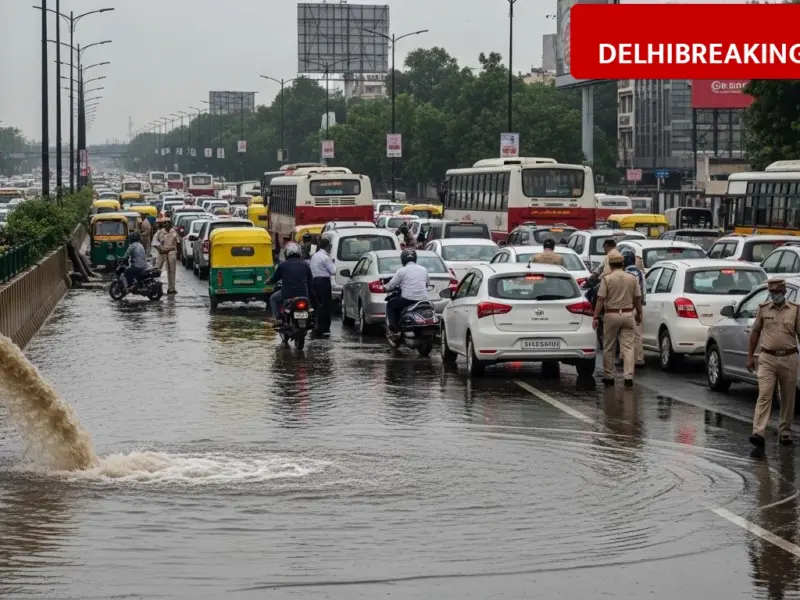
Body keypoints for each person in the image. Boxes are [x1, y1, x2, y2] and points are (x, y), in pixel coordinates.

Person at [746, 277, 800, 447]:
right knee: (764, 394)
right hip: (767, 358)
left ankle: (785, 431)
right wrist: (750, 356)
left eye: (777, 292)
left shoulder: (795, 310)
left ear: (784, 292)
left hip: (789, 358)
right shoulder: (763, 309)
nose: (774, 295)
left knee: (788, 397)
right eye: (771, 292)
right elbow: (755, 333)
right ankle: (758, 432)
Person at [593, 250, 643, 387]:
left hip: (611, 315)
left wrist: (595, 316)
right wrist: (639, 313)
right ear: (622, 263)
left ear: (610, 264)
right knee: (628, 346)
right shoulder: (632, 278)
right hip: (628, 314)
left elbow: (601, 299)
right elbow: (638, 298)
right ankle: (628, 376)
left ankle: (609, 376)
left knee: (609, 346)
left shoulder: (607, 279)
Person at [384, 248, 430, 334]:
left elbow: (391, 285)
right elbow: (427, 284)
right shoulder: (424, 269)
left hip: (407, 300)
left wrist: (384, 288)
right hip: (423, 299)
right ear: (415, 258)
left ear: (403, 259)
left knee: (390, 304)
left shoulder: (402, 271)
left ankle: (394, 329)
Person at [269, 241, 314, 323]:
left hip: (287, 293)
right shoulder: (305, 264)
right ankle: (311, 319)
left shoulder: (282, 265)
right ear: (299, 252)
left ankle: (278, 319)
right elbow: (310, 280)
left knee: (273, 299)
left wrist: (269, 281)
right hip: (303, 293)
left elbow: (274, 278)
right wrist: (309, 292)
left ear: (286, 253)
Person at [621, 247, 646, 367]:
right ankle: (639, 358)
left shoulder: (623, 274)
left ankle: (624, 357)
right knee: (637, 334)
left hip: (625, 307)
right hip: (638, 307)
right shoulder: (640, 273)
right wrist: (641, 306)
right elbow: (644, 290)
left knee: (624, 333)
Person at [309, 237, 335, 337]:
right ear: (328, 246)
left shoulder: (314, 256)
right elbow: (333, 271)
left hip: (315, 282)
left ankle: (317, 326)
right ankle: (324, 327)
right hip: (324, 282)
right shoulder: (326, 257)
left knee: (317, 305)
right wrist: (333, 264)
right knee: (325, 305)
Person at [153, 219, 181, 294]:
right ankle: (153, 286)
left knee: (172, 271)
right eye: (165, 223)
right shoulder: (160, 232)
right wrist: (160, 249)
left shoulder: (174, 232)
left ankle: (171, 288)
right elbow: (154, 242)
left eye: (169, 223)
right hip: (162, 252)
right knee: (157, 269)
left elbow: (178, 242)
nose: (167, 225)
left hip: (171, 252)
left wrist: (178, 253)